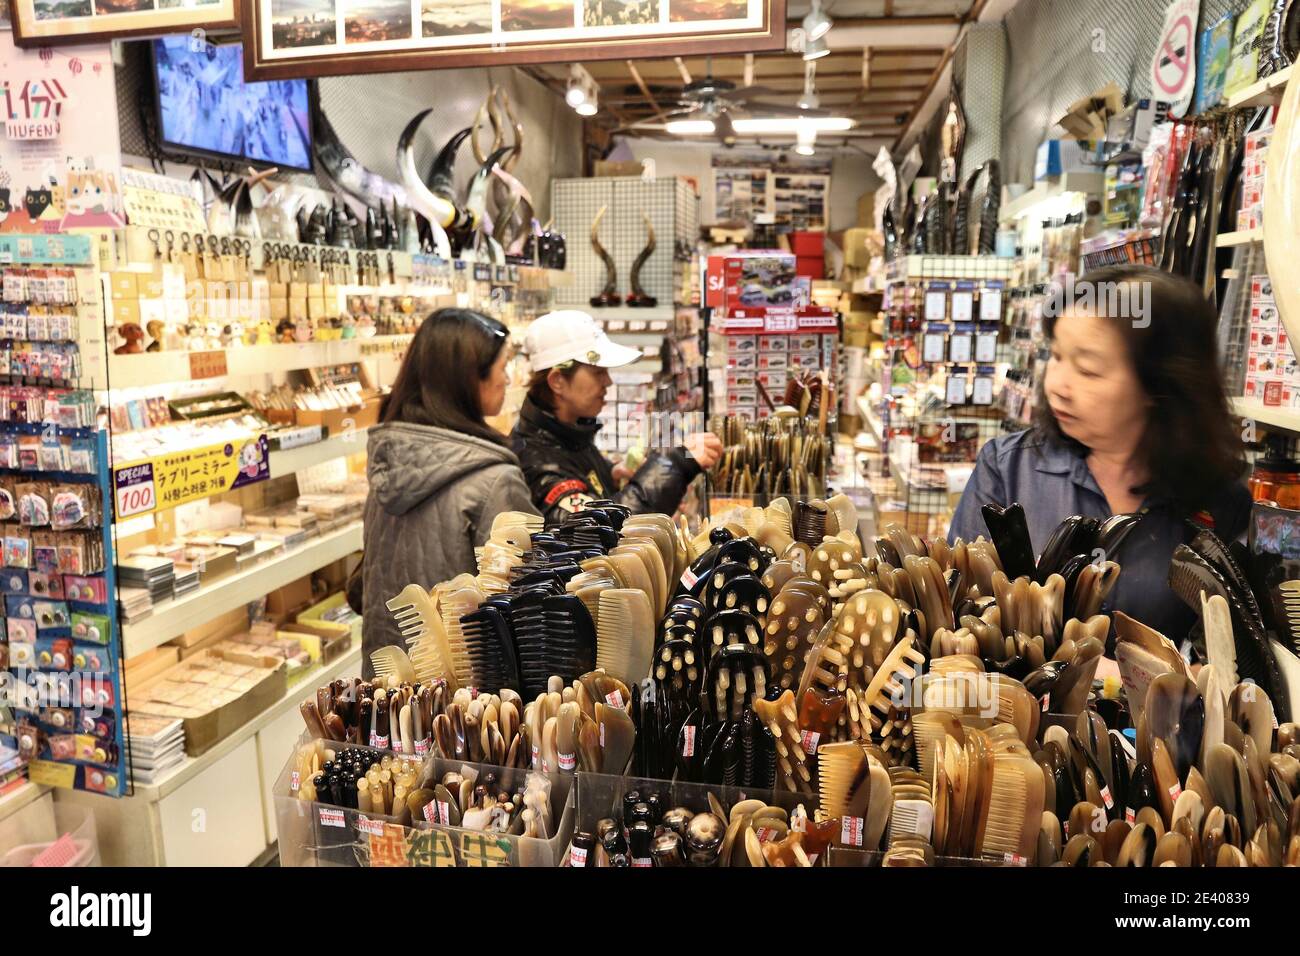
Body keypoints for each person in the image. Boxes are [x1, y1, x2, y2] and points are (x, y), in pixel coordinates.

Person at [948, 265, 1249, 638]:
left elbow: (1228, 657)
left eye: (1088, 371)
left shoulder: (1218, 503)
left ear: (1160, 384)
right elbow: (958, 613)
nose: (1057, 385)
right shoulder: (1008, 469)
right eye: (1056, 356)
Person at [356, 308, 538, 672]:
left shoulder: (389, 460)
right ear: (469, 379)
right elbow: (527, 612)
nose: (507, 378)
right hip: (465, 707)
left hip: (386, 685)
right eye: (502, 367)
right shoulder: (494, 480)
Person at [511, 310, 723, 523]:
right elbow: (598, 529)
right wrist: (674, 465)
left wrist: (609, 474)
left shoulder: (568, 434)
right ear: (557, 381)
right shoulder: (537, 464)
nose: (608, 382)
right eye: (598, 372)